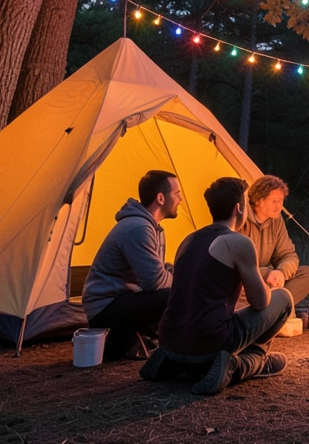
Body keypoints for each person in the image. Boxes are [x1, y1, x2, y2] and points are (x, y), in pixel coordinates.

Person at [142, 177, 293, 394]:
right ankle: (245, 362)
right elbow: (261, 302)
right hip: (209, 344)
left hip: (169, 341)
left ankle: (173, 362)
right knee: (283, 298)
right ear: (239, 208)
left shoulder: (188, 239)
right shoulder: (238, 242)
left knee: (215, 321)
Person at [81, 169, 179, 359]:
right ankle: (119, 340)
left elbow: (155, 270)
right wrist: (182, 280)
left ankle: (133, 339)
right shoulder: (138, 228)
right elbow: (153, 281)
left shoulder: (151, 227)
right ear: (160, 197)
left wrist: (177, 271)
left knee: (173, 289)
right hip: (105, 308)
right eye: (176, 194)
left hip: (121, 299)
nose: (180, 199)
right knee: (173, 294)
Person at [238, 175, 309, 306]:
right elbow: (238, 266)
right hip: (247, 282)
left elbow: (288, 254)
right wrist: (267, 273)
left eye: (281, 201)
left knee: (306, 274)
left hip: (269, 282)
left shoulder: (276, 220)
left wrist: (281, 272)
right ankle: (274, 307)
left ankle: (273, 307)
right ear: (258, 200)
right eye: (274, 201)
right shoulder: (241, 220)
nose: (279, 206)